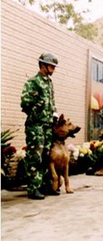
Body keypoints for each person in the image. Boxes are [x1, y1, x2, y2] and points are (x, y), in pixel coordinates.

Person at [21, 52, 60, 199]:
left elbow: (51, 102)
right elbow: (25, 103)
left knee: (45, 156)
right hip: (35, 126)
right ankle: (33, 188)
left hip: (47, 126)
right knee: (35, 157)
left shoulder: (49, 83)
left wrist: (54, 112)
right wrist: (36, 112)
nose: (53, 69)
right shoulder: (33, 82)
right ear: (43, 65)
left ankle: (44, 185)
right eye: (51, 66)